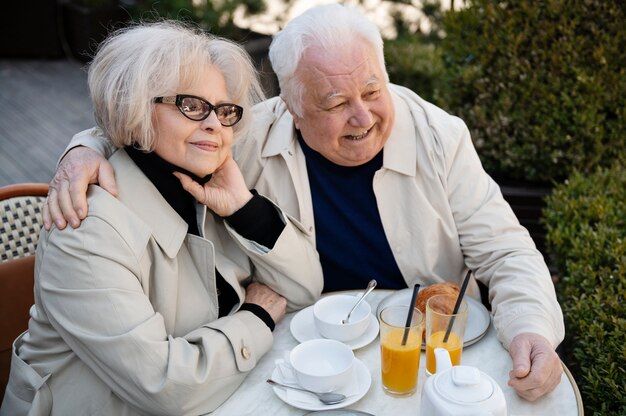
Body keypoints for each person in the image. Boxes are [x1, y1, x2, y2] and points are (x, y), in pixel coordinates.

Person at [43, 4, 565, 402]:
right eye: (335, 103)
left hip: (417, 352)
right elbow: (149, 122)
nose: (362, 117)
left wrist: (532, 328)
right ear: (288, 107)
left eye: (373, 90)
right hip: (298, 355)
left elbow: (507, 251)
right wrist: (85, 147)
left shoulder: (438, 136)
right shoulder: (241, 134)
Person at [0, 21, 323, 416]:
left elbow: (305, 288)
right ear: (134, 106)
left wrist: (246, 208)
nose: (214, 125)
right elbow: (165, 386)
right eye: (191, 105)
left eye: (224, 112)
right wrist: (255, 318)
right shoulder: (86, 229)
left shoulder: (210, 182)